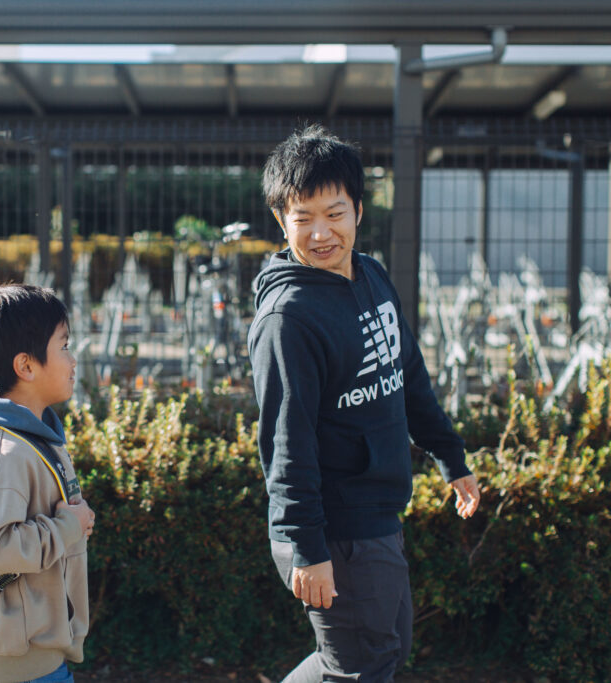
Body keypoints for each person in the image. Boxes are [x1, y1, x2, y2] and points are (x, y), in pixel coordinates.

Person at [247, 125, 480, 682]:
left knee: (382, 651)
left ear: (357, 210)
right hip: (335, 529)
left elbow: (408, 375)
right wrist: (306, 546)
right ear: (282, 221)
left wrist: (451, 457)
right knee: (363, 665)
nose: (321, 232)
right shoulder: (288, 319)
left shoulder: (371, 274)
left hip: (377, 513)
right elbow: (285, 443)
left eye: (335, 213)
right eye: (303, 218)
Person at [0, 284, 95, 683]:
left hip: (32, 656)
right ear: (26, 366)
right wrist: (67, 527)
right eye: (63, 345)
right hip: (21, 665)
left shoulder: (32, 436)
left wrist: (75, 521)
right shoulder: (6, 453)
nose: (72, 358)